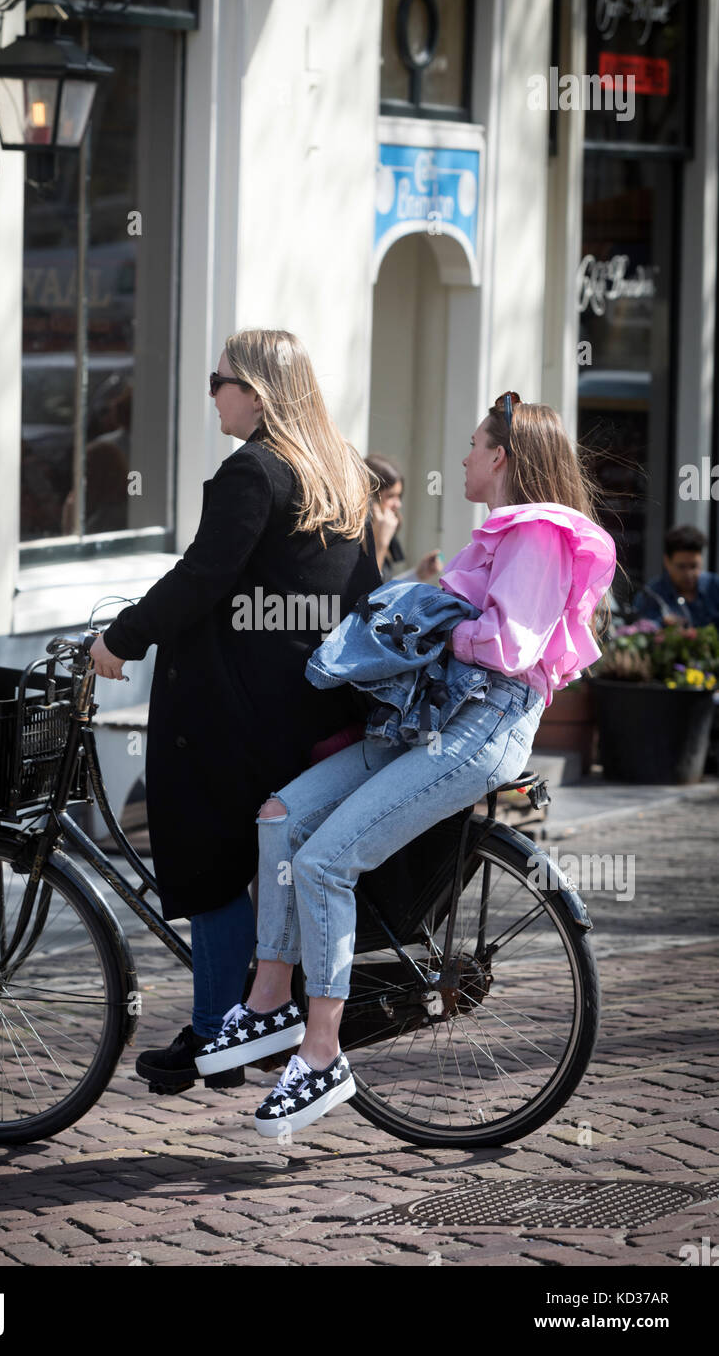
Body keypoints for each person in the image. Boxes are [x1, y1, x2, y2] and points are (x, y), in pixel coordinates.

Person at [194, 391, 617, 1134]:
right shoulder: (509, 532)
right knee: (280, 816)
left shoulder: (541, 534)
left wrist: (426, 627)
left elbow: (510, 648)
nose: (462, 457)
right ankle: (267, 1004)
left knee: (325, 861)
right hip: (430, 720)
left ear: (502, 459)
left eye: (474, 444)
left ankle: (321, 1055)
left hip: (477, 729)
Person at [89, 329, 380, 1093]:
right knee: (251, 860)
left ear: (252, 391)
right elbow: (359, 592)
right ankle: (244, 1019)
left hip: (244, 713)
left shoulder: (252, 470)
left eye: (218, 380)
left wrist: (123, 638)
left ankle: (220, 1028)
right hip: (316, 711)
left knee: (200, 853)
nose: (211, 392)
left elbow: (203, 574)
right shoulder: (339, 469)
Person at [365, 452, 442, 584]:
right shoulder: (354, 540)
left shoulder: (383, 534)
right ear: (369, 497)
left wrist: (417, 575)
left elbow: (383, 589)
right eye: (390, 496)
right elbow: (365, 594)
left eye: (399, 496)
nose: (398, 504)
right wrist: (380, 546)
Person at [632, 524, 719, 628]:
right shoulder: (650, 595)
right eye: (681, 567)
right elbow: (640, 632)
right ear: (667, 562)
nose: (688, 574)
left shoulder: (714, 586)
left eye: (694, 566)